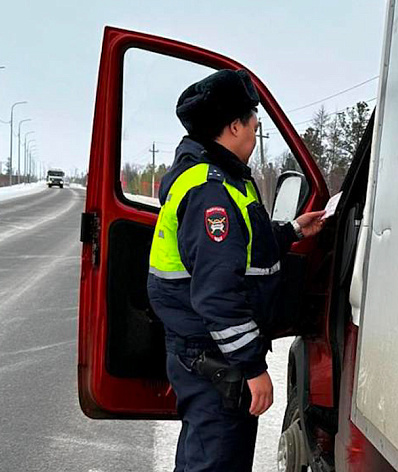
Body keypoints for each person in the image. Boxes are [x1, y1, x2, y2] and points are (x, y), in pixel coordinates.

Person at [146, 69, 325, 471]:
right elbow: (216, 292)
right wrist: (252, 366)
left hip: (204, 351)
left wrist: (294, 230)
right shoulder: (212, 190)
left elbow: (242, 247)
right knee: (216, 462)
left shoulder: (221, 178)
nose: (256, 127)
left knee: (202, 456)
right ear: (233, 126)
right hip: (214, 358)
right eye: (252, 119)